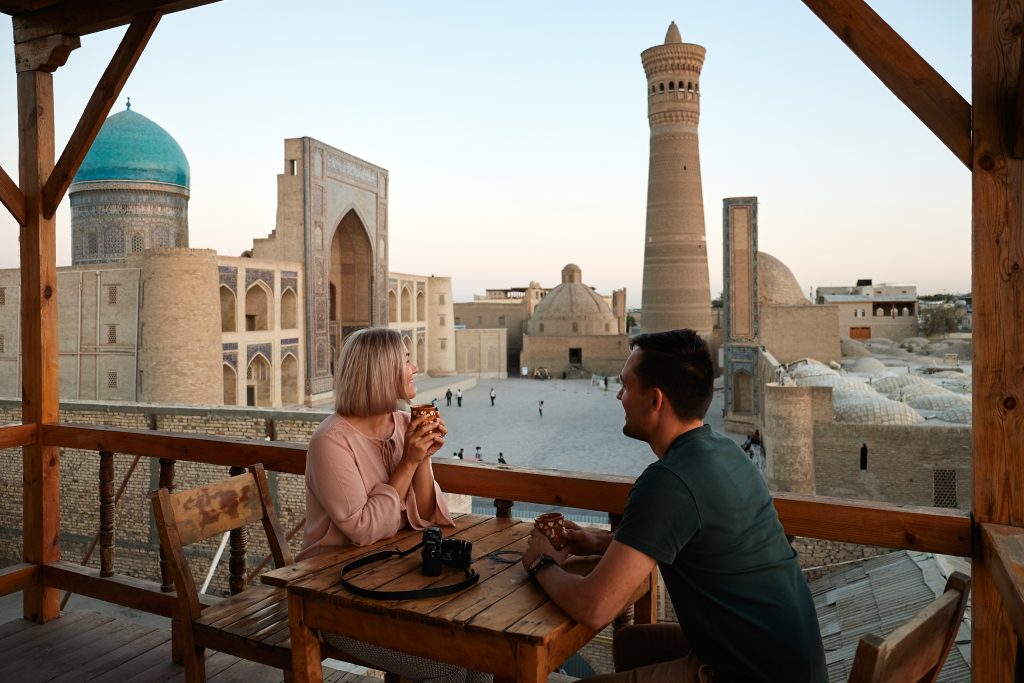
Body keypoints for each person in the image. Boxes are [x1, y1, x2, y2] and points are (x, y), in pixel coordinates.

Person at [523, 329, 826, 682]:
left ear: (655, 400)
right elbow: (697, 537)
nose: (619, 395)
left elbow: (594, 608)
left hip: (750, 673)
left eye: (625, 386)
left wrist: (541, 562)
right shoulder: (725, 451)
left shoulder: (669, 481)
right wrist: (601, 542)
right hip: (791, 660)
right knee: (631, 646)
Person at [298, 328, 491, 683]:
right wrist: (407, 462)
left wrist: (423, 457)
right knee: (445, 667)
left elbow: (428, 514)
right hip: (334, 596)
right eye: (405, 359)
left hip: (391, 581)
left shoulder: (402, 423)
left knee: (483, 656)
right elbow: (363, 530)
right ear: (380, 370)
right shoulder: (331, 441)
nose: (415, 367)